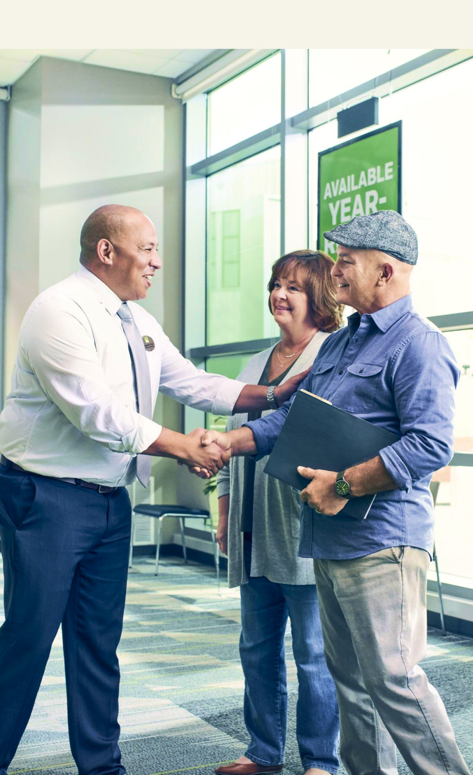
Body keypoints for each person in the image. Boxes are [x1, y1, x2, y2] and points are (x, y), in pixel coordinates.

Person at [0, 204, 305, 775]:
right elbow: (96, 413)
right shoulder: (58, 311)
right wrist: (183, 446)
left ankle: (102, 766)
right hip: (44, 499)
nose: (157, 262)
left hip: (110, 501)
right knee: (27, 639)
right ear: (106, 251)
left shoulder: (135, 320)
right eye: (148, 249)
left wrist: (274, 394)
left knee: (97, 645)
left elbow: (189, 380)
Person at [205, 212, 471, 775]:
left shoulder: (419, 344)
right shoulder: (341, 342)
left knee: (394, 681)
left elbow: (429, 446)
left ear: (387, 271)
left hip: (383, 543)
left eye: (347, 259)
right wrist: (233, 439)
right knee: (350, 683)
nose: (337, 269)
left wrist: (345, 484)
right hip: (327, 538)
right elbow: (296, 418)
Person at [215, 251, 342, 775]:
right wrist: (224, 513)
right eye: (275, 285)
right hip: (251, 526)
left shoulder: (330, 353)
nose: (279, 295)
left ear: (318, 295)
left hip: (302, 527)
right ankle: (263, 751)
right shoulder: (255, 363)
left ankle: (320, 761)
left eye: (293, 286)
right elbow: (229, 437)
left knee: (314, 655)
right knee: (256, 647)